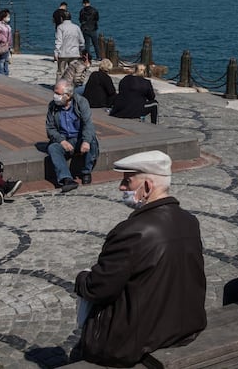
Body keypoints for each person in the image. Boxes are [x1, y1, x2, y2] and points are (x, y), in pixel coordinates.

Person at [72, 150, 206, 367]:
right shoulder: (190, 221)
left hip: (139, 338)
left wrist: (81, 279)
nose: (121, 187)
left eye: (127, 181)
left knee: (79, 353)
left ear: (147, 187)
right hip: (185, 326)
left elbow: (99, 288)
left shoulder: (131, 232)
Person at [46, 79, 99, 192]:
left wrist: (86, 141)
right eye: (54, 93)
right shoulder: (53, 106)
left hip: (79, 138)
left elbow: (88, 124)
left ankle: (86, 172)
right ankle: (66, 179)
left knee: (92, 140)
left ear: (68, 95)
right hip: (64, 138)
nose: (55, 96)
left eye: (58, 94)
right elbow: (50, 128)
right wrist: (61, 141)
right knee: (52, 148)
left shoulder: (81, 102)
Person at [54, 10, 85, 82]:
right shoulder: (76, 27)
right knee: (73, 72)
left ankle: (59, 87)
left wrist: (56, 52)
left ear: (62, 18)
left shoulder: (60, 27)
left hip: (63, 54)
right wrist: (81, 49)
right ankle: (71, 87)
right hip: (74, 53)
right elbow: (82, 41)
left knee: (60, 72)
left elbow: (59, 41)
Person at [0, 9, 13, 76]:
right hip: (2, 45)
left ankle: (6, 72)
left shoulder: (7, 26)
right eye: (7, 17)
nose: (9, 18)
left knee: (6, 60)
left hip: (7, 45)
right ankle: (1, 73)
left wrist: (10, 45)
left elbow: (9, 36)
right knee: (2, 60)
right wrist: (1, 39)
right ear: (3, 17)